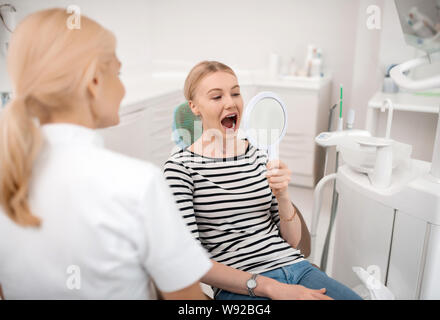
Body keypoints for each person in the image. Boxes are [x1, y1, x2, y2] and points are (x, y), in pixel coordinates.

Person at [0, 9, 211, 300]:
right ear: (95, 82)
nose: (123, 86)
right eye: (118, 72)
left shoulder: (8, 173)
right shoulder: (138, 183)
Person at [164, 61, 362, 300]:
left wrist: (283, 195)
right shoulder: (180, 168)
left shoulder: (259, 154)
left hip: (298, 270)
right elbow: (191, 262)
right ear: (194, 107)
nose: (230, 102)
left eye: (235, 93)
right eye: (216, 97)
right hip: (242, 288)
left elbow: (292, 241)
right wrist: (270, 287)